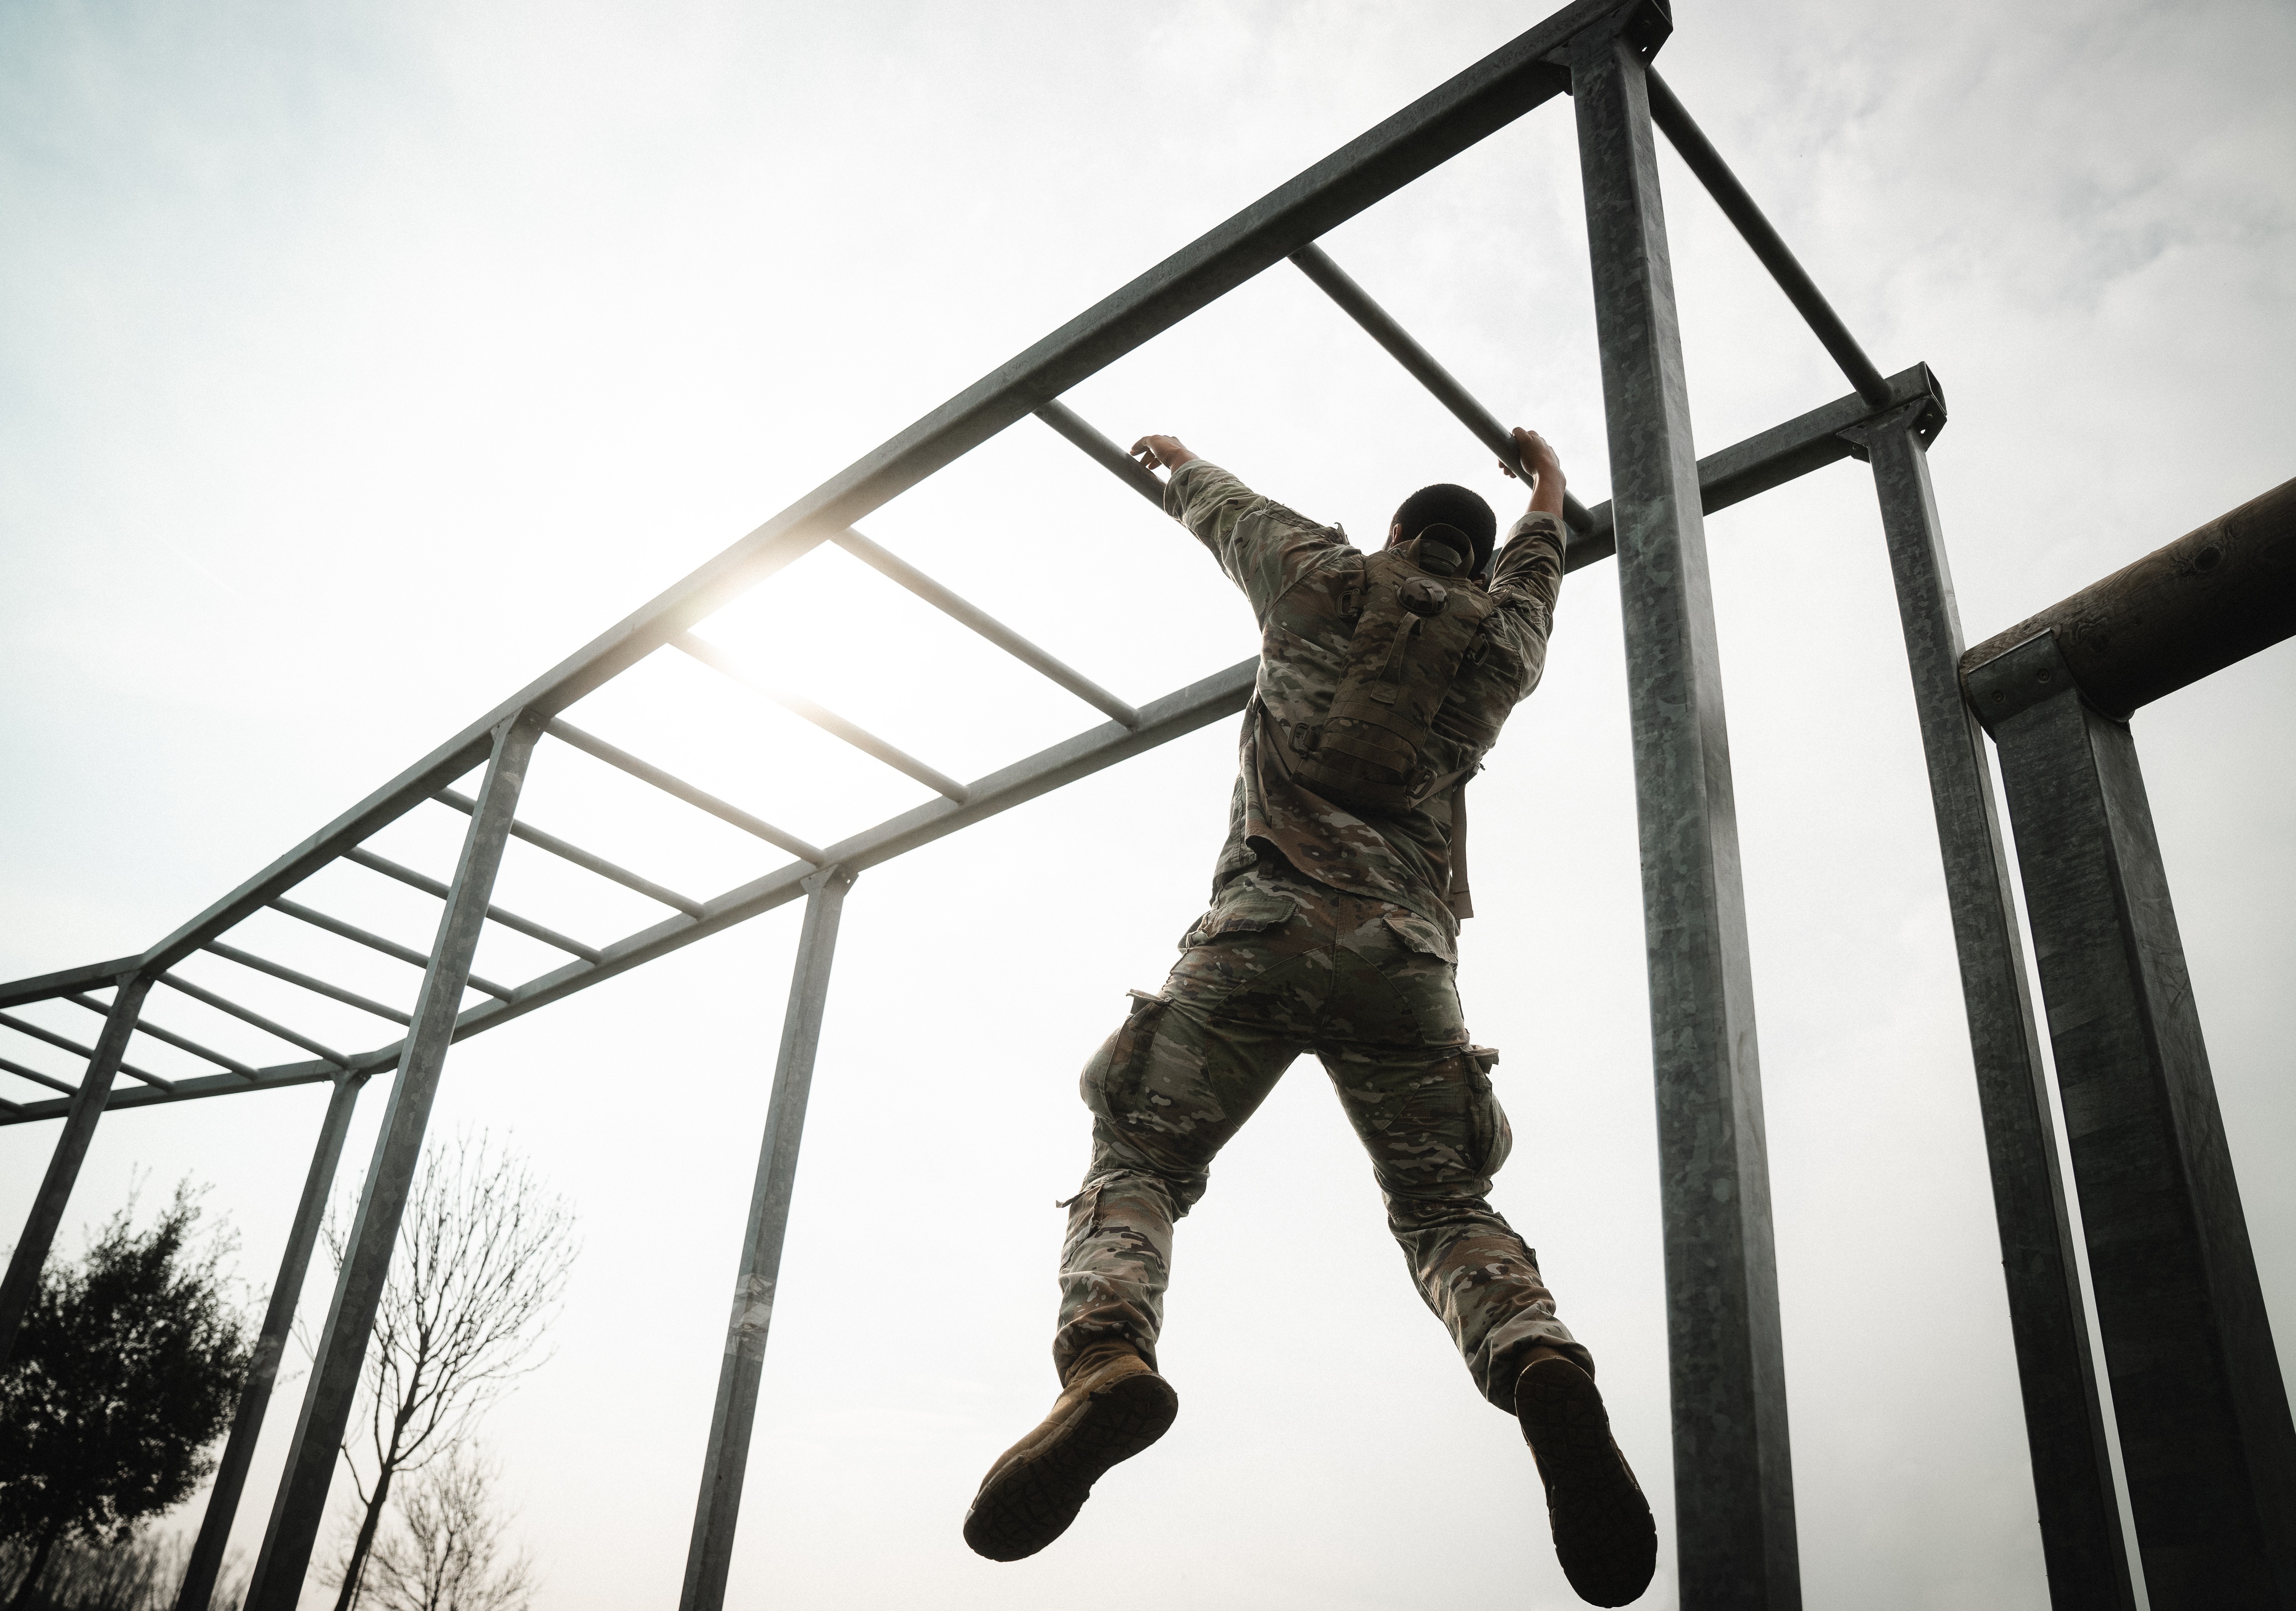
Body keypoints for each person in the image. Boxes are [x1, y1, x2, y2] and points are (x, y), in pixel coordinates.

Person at [961, 427, 1657, 1607]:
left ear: (1393, 534)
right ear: (1474, 561)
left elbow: (1224, 510)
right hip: (1403, 962)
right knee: (1444, 1205)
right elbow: (1541, 556)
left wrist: (1177, 459)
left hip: (1258, 934)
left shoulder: (1319, 574)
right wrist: (1542, 482)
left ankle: (1107, 1359)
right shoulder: (1504, 639)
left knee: (1141, 1156)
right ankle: (1533, 1357)